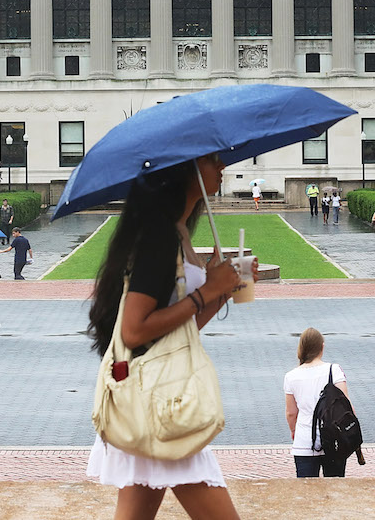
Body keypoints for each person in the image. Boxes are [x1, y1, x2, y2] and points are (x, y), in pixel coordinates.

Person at [86, 153, 248, 520]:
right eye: (212, 160)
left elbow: (178, 331)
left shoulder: (175, 231)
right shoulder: (159, 237)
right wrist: (206, 292)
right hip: (163, 404)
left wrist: (222, 288)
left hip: (154, 400)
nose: (221, 167)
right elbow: (134, 329)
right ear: (184, 169)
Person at [284, 328, 353, 478]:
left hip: (304, 441)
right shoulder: (334, 370)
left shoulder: (291, 376)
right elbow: (347, 406)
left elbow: (291, 413)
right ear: (322, 347)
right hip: (334, 440)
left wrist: (294, 431)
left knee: (306, 492)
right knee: (335, 491)